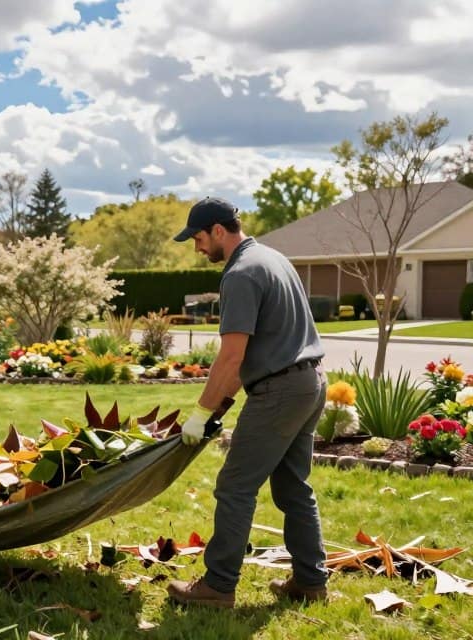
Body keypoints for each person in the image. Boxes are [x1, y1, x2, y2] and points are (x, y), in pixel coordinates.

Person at [165, 197, 329, 608]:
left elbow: (232, 357)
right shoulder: (273, 258)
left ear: (218, 230)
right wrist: (220, 406)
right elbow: (265, 344)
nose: (198, 248)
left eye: (199, 239)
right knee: (294, 488)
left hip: (281, 391)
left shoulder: (239, 273)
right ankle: (310, 583)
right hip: (310, 381)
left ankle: (217, 587)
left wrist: (201, 412)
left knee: (235, 487)